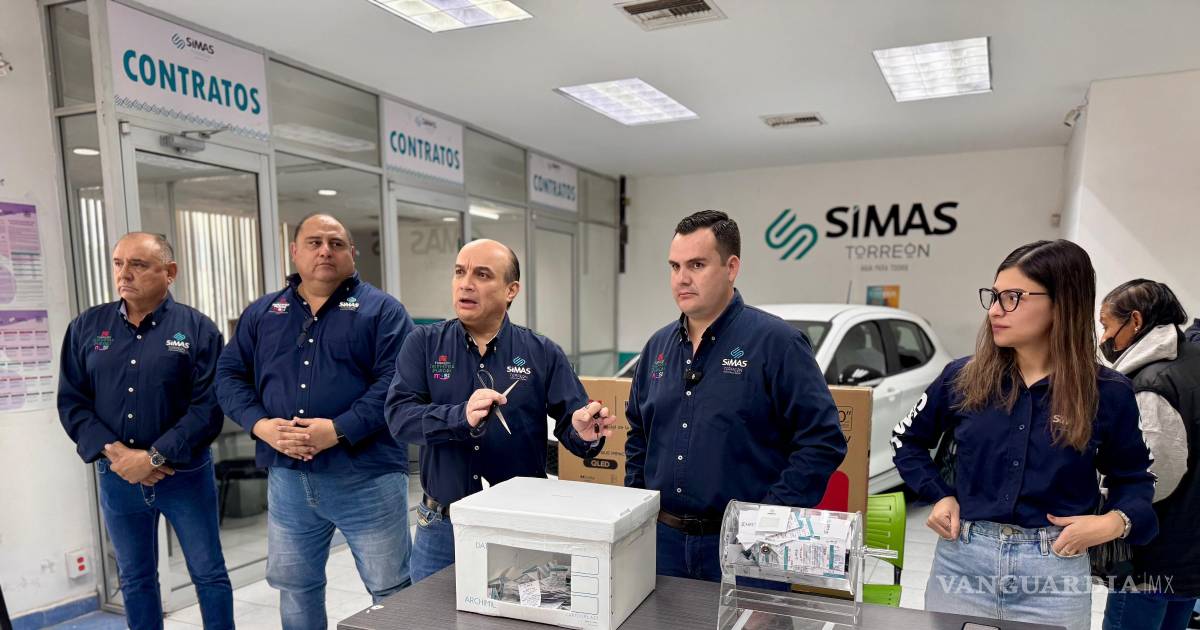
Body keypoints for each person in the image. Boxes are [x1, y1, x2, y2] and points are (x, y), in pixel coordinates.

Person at [891, 239, 1158, 630]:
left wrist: (1114, 522)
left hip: (1054, 572)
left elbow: (1135, 478)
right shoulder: (962, 377)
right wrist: (939, 494)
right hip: (963, 564)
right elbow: (906, 441)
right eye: (994, 296)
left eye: (1013, 297)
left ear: (1062, 303)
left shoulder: (1107, 392)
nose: (995, 310)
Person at [624, 210, 847, 582]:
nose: (682, 278)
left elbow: (823, 441)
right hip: (662, 545)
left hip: (749, 548)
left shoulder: (778, 344)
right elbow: (639, 435)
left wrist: (770, 519)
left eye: (697, 265)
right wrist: (636, 508)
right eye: (675, 266)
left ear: (731, 267)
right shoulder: (657, 348)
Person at [216, 214, 414, 629]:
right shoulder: (264, 313)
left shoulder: (383, 312)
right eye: (314, 242)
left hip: (367, 478)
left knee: (391, 589)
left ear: (352, 253)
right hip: (288, 479)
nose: (325, 251)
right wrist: (262, 427)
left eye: (336, 243)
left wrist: (338, 430)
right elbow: (228, 375)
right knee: (295, 585)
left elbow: (397, 383)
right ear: (294, 251)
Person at [385, 238, 615, 584]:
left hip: (519, 526)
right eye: (460, 272)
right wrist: (459, 417)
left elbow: (575, 425)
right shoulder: (424, 344)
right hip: (442, 528)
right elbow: (399, 417)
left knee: (519, 611)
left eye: (482, 275)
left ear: (511, 290)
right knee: (429, 613)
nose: (466, 284)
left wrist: (584, 434)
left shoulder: (542, 353)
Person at [58, 233, 232, 629]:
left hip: (184, 476)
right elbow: (73, 401)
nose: (124, 274)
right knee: (135, 579)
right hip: (118, 476)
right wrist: (119, 455)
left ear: (169, 272)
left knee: (208, 574)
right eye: (118, 263)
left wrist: (153, 457)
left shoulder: (198, 330)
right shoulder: (86, 327)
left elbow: (208, 407)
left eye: (138, 264)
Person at [1098, 280, 1199, 630]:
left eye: (1107, 325)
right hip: (1190, 545)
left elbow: (1152, 477)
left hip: (1153, 552)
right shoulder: (1192, 360)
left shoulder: (1151, 383)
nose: (1104, 338)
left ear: (1136, 321)